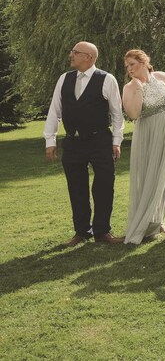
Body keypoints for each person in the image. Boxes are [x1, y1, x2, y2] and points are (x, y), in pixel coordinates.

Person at [44, 41, 125, 246]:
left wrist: (116, 141)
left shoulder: (107, 79)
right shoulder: (64, 79)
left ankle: (102, 231)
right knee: (76, 188)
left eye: (75, 52)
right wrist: (50, 140)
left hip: (100, 141)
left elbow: (117, 114)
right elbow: (55, 110)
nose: (71, 55)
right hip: (73, 143)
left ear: (88, 57)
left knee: (104, 186)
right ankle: (81, 231)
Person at [122, 49, 165, 245]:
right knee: (149, 175)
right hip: (148, 134)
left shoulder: (159, 76)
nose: (130, 69)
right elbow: (134, 114)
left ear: (144, 62)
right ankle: (145, 222)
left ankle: (160, 221)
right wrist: (139, 89)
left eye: (132, 64)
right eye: (127, 66)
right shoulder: (129, 87)